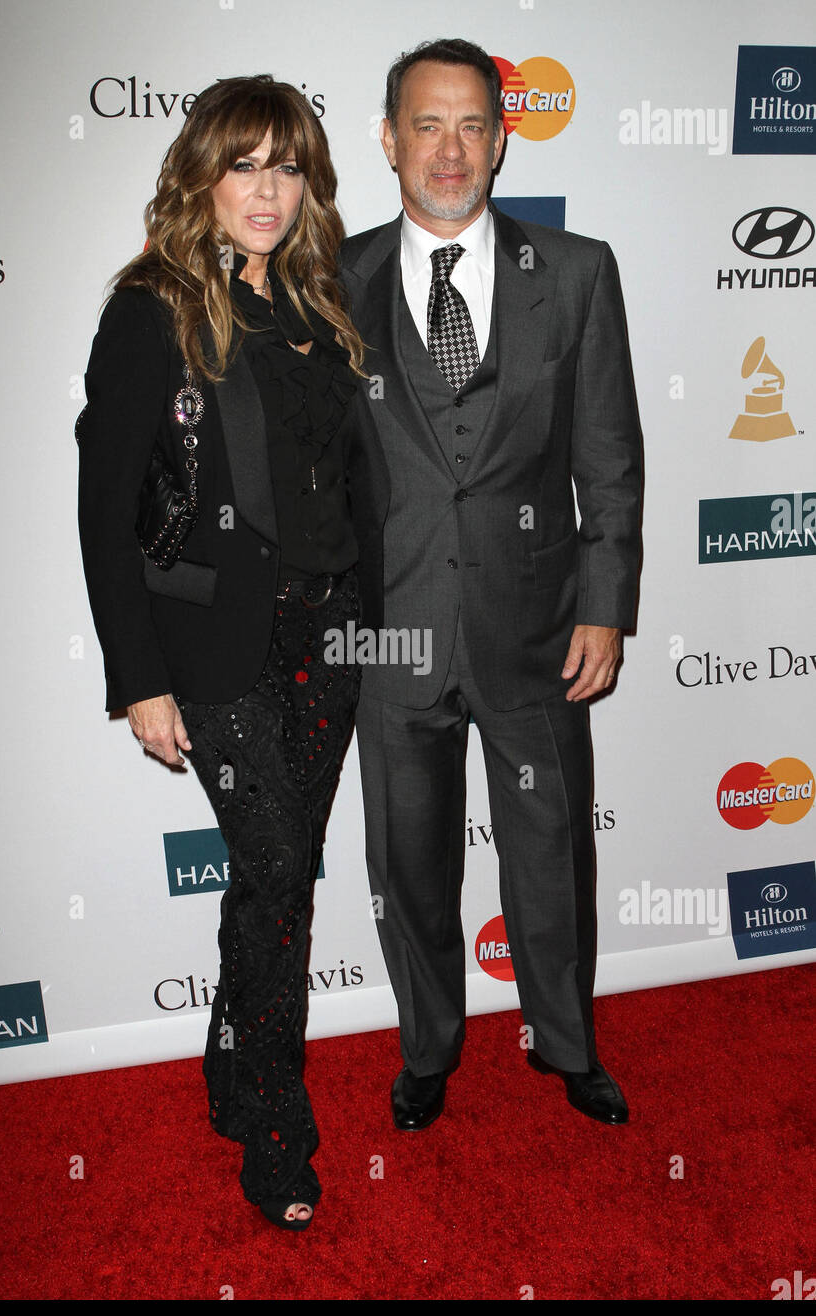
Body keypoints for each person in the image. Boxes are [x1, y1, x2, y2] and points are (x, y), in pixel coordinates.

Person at [77, 75, 373, 1229]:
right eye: (245, 162)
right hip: (214, 643)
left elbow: (352, 481)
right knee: (273, 872)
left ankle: (224, 1058)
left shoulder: (318, 300)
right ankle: (276, 1124)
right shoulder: (150, 309)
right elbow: (105, 509)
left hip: (333, 627)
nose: (267, 188)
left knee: (274, 875)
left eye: (287, 165)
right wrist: (139, 675)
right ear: (201, 174)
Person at [340, 39, 643, 1132]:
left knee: (550, 859)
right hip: (390, 639)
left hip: (539, 629)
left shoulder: (572, 273)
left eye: (471, 124)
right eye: (426, 123)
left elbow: (606, 455)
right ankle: (427, 1048)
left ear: (502, 138)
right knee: (407, 866)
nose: (450, 148)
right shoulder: (333, 280)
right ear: (388, 139)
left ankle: (564, 1043)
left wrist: (605, 602)